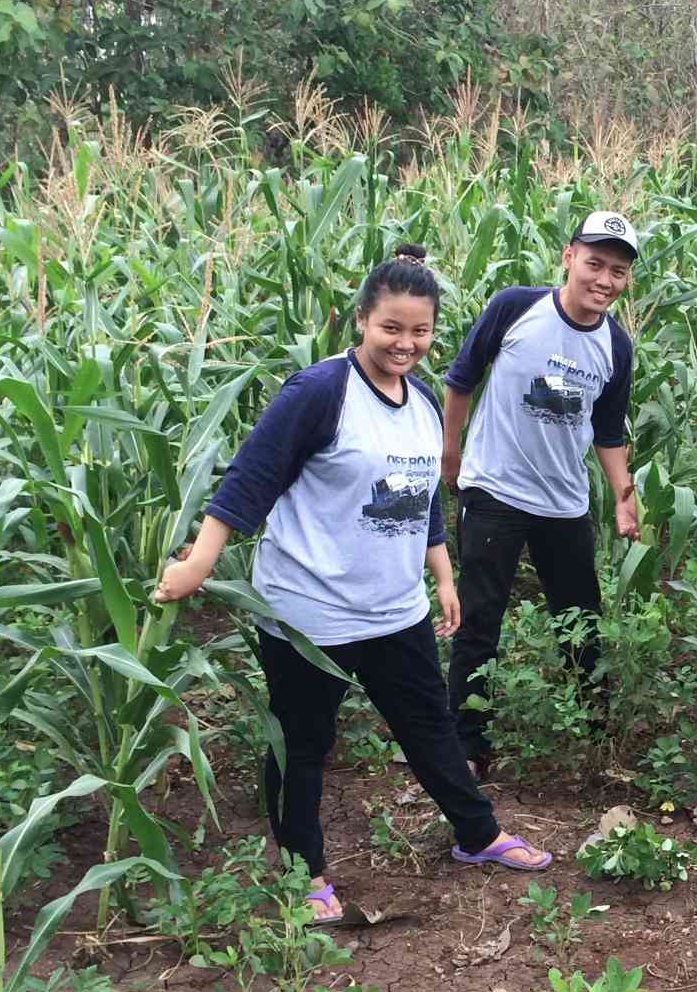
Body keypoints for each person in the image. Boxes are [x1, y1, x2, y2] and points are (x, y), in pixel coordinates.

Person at [155, 245, 551, 925]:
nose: (405, 344)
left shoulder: (422, 403)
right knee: (304, 743)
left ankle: (477, 834)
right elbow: (250, 480)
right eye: (391, 328)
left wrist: (444, 573)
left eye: (420, 331)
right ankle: (303, 874)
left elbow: (423, 496)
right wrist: (198, 563)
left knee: (430, 725)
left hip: (394, 607)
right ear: (361, 320)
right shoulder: (319, 392)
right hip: (312, 612)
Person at [441, 210, 643, 777]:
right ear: (568, 257)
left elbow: (607, 430)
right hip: (494, 491)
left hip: (564, 501)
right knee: (480, 620)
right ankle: (468, 744)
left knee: (580, 618)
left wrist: (622, 493)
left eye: (619, 272)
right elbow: (462, 378)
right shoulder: (515, 307)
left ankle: (597, 729)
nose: (604, 280)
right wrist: (450, 452)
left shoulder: (616, 347)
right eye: (595, 263)